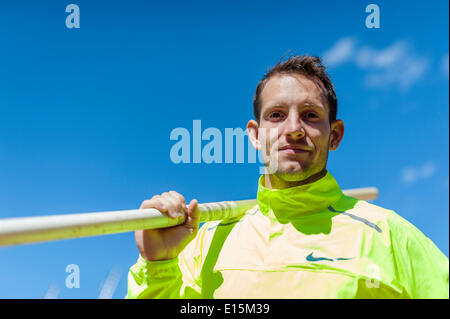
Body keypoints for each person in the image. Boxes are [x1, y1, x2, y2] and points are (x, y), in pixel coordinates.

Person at [126, 55, 449, 299]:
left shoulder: (390, 235)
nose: (293, 129)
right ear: (255, 135)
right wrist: (158, 265)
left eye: (310, 115)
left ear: (334, 135)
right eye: (276, 115)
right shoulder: (204, 244)